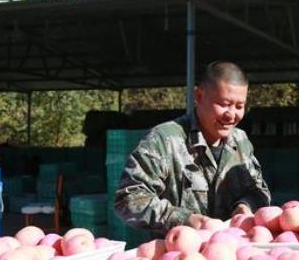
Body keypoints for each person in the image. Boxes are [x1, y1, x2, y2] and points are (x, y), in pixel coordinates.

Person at [114, 61, 271, 233]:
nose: (231, 115)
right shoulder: (165, 140)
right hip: (178, 254)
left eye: (239, 106)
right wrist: (185, 220)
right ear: (199, 96)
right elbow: (129, 199)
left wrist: (245, 206)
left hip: (230, 251)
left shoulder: (240, 141)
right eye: (224, 104)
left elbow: (259, 191)